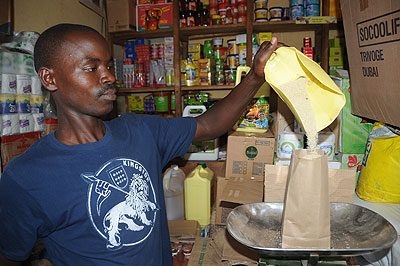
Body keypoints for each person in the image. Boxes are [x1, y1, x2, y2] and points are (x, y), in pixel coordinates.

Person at [0, 23, 279, 265]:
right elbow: (11, 256)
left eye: (108, 65)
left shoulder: (139, 130)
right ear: (50, 79)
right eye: (91, 67)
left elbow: (209, 124)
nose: (108, 76)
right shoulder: (26, 177)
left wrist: (255, 76)